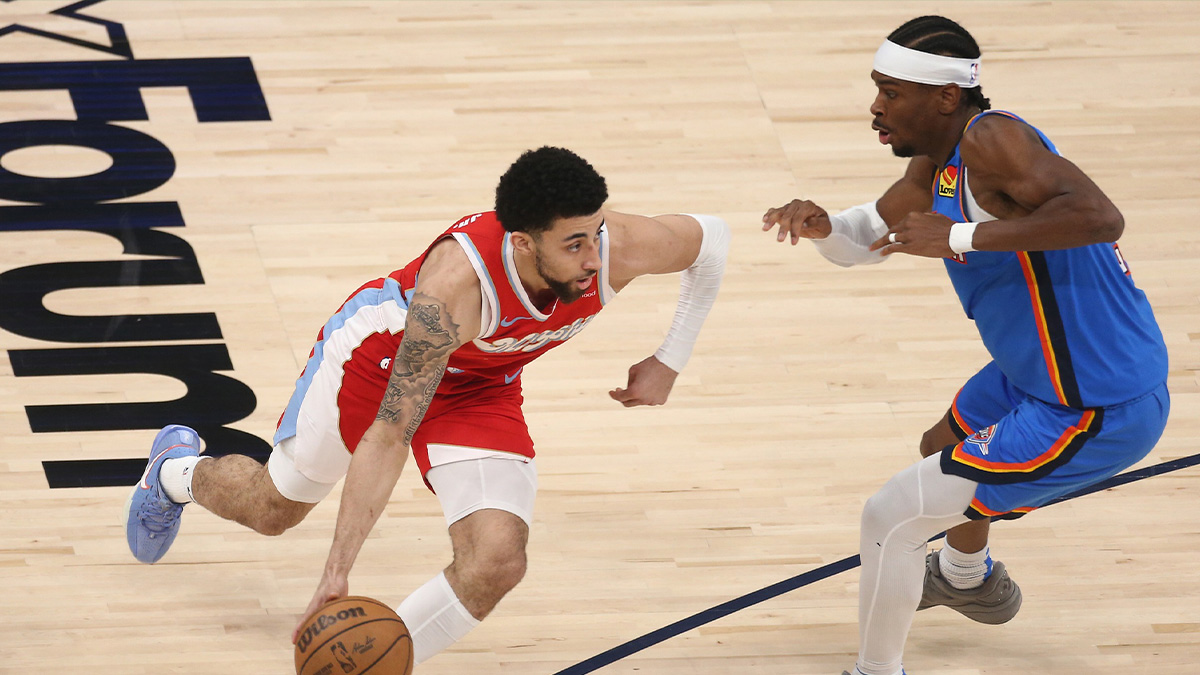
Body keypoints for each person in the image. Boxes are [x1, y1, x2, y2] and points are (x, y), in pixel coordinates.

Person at [124, 146, 730, 664]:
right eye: (574, 244)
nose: (594, 258)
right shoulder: (454, 291)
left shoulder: (616, 246)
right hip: (382, 361)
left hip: (481, 384)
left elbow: (714, 241)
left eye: (594, 233)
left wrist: (669, 358)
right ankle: (174, 472)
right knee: (272, 510)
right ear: (523, 242)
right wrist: (338, 573)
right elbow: (389, 436)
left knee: (496, 562)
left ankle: (369, 665)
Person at [761, 16, 1169, 675]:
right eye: (877, 89)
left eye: (890, 92)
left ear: (944, 97)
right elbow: (872, 234)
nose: (875, 108)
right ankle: (966, 575)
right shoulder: (937, 161)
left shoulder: (995, 139)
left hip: (1094, 401)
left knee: (890, 518)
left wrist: (958, 239)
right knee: (940, 448)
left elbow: (1100, 216)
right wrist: (824, 226)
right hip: (1035, 370)